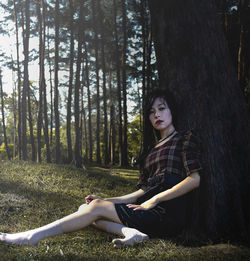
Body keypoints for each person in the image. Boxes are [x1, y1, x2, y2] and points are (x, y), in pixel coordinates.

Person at [0, 88, 202, 248]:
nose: (157, 114)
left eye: (162, 108)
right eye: (151, 111)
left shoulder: (184, 138)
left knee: (93, 210)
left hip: (167, 215)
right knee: (85, 208)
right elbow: (140, 192)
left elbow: (194, 179)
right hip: (146, 210)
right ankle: (131, 233)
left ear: (172, 110)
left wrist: (155, 199)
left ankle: (31, 236)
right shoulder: (150, 152)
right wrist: (106, 201)